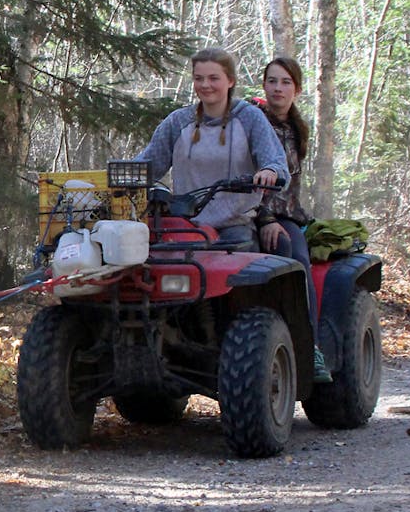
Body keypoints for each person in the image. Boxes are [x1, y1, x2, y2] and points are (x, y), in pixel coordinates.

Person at [134, 47, 288, 248]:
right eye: (199, 78)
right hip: (186, 224)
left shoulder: (249, 117)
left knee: (238, 270)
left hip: (234, 225)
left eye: (213, 78)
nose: (205, 85)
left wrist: (270, 171)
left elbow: (276, 161)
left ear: (230, 81)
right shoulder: (178, 121)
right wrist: (115, 180)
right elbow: (148, 166)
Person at [252, 56, 331, 382]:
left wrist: (279, 218)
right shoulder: (251, 119)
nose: (278, 88)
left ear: (297, 89)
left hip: (287, 216)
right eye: (272, 81)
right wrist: (263, 217)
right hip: (251, 212)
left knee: (296, 257)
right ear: (264, 85)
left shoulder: (297, 128)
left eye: (285, 82)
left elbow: (289, 187)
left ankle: (307, 347)